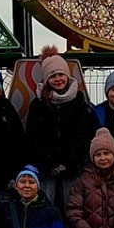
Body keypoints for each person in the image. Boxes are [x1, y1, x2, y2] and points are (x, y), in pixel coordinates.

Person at [25, 48, 97, 204]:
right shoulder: (38, 104)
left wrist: (67, 163)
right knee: (45, 206)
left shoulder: (79, 102)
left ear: (67, 76)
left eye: (61, 74)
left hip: (73, 168)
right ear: (46, 79)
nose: (58, 79)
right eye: (52, 76)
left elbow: (84, 135)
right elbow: (33, 137)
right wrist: (50, 163)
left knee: (73, 208)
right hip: (46, 169)